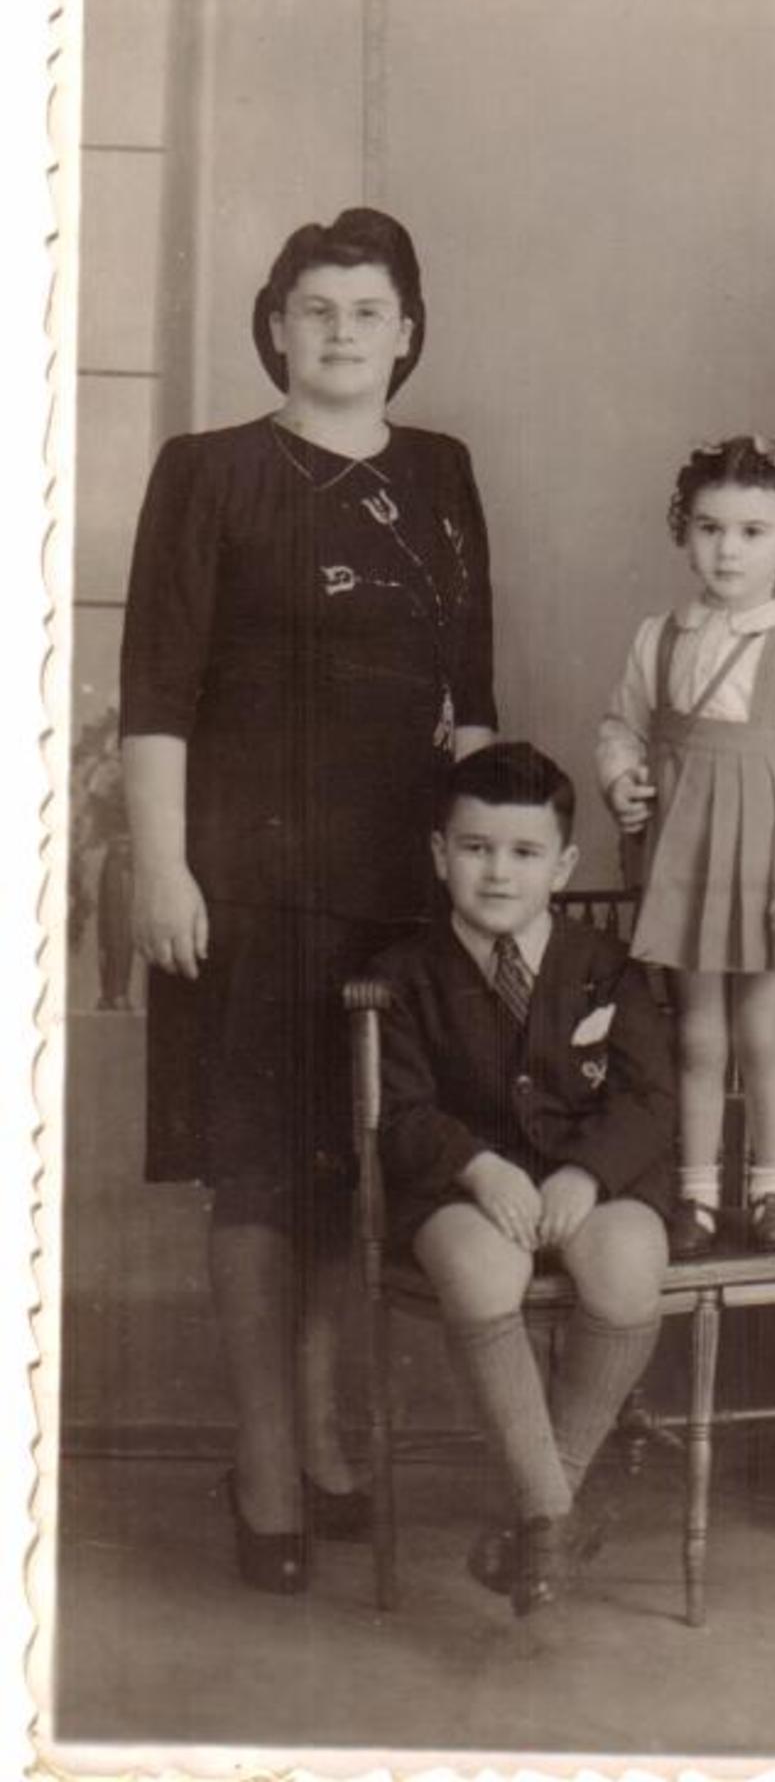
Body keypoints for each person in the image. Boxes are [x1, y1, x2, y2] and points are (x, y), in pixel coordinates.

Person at [120, 207, 497, 1593]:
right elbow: (155, 692)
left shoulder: (442, 471)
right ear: (276, 325)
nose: (342, 333)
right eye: (317, 309)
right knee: (263, 1164)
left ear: (408, 332)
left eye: (368, 310)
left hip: (399, 881)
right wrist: (162, 864)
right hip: (248, 876)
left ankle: (329, 1438)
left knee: (362, 1160)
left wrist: (479, 879)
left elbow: (473, 694)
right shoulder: (209, 470)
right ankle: (267, 1465)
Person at [372, 741, 675, 1620]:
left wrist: (587, 1172)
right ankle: (551, 1515)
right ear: (440, 854)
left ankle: (544, 1513)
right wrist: (477, 1166)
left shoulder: (606, 964)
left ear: (564, 865)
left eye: (524, 852)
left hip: (594, 1177)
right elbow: (400, 1111)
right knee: (481, 1270)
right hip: (461, 1183)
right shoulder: (404, 975)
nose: (498, 872)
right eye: (476, 848)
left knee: (628, 1265)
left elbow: (651, 1098)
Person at [597, 435, 775, 1259]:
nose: (728, 550)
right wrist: (620, 777)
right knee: (697, 1036)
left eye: (753, 532)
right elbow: (621, 725)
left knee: (764, 1035)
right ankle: (698, 1194)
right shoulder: (659, 637)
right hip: (686, 865)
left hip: (767, 870)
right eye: (710, 528)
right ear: (685, 532)